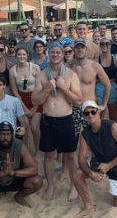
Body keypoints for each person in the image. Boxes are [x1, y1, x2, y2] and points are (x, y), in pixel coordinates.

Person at [31, 42, 82, 201]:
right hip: (48, 120)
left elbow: (79, 101)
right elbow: (35, 101)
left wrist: (64, 88)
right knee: (49, 156)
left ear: (63, 54)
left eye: (58, 52)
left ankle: (74, 186)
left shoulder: (71, 75)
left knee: (71, 156)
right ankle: (50, 186)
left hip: (66, 120)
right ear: (48, 54)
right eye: (52, 52)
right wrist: (47, 88)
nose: (55, 54)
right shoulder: (41, 76)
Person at [72, 100, 117, 218]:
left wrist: (109, 166)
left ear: (99, 112)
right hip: (101, 165)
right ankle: (88, 206)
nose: (90, 115)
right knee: (76, 174)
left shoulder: (111, 126)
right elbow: (80, 158)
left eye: (93, 112)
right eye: (86, 113)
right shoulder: (85, 133)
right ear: (83, 116)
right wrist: (91, 174)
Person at [0, 121, 42, 211]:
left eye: (8, 134)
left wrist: (14, 172)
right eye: (2, 134)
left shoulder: (20, 146)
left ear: (12, 135)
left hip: (15, 180)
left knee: (37, 181)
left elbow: (34, 169)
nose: (5, 138)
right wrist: (1, 173)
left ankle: (19, 196)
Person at [9, 47, 41, 153]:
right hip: (21, 100)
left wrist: (35, 106)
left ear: (27, 56)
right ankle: (25, 151)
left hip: (35, 98)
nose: (21, 57)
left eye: (24, 54)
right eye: (19, 54)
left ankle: (37, 150)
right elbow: (14, 91)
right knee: (25, 127)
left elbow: (40, 88)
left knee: (35, 128)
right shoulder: (12, 70)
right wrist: (25, 108)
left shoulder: (35, 68)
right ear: (16, 56)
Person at [96, 36, 117, 123]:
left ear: (110, 45)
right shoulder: (96, 60)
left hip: (112, 87)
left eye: (107, 43)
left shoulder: (115, 60)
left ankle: (115, 134)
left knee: (113, 115)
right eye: (102, 43)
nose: (104, 45)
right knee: (100, 115)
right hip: (100, 87)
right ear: (99, 45)